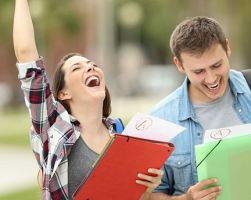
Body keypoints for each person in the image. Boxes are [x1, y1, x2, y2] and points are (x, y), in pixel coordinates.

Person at [13, 1, 163, 200]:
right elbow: (26, 55)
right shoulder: (53, 126)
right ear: (64, 93)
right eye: (77, 68)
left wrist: (147, 189)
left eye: (93, 65)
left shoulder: (119, 133)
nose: (90, 68)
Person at [149, 16, 251, 200]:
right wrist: (187, 199)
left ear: (227, 48)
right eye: (199, 71)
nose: (211, 79)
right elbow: (151, 196)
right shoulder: (159, 122)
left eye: (216, 65)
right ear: (179, 64)